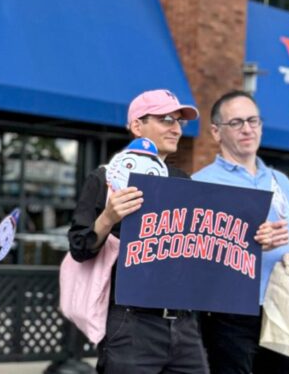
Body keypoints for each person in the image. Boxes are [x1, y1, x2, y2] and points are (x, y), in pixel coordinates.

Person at [67, 89, 208, 374]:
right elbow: (79, 247)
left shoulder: (182, 180)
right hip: (131, 323)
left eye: (179, 121)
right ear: (136, 126)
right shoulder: (106, 177)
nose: (176, 128)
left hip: (183, 323)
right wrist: (108, 217)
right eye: (166, 119)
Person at [192, 90, 289, 374]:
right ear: (216, 131)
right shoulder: (200, 184)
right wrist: (250, 244)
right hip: (229, 313)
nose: (247, 128)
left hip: (281, 305)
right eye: (236, 123)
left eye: (253, 121)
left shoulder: (279, 180)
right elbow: (193, 256)